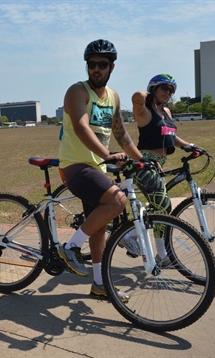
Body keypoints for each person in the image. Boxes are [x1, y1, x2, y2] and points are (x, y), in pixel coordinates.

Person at [57, 39, 144, 302]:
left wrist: (143, 160)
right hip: (75, 165)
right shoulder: (77, 91)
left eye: (102, 65)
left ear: (112, 67)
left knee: (98, 226)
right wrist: (106, 155)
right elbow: (82, 127)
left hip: (95, 168)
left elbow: (121, 133)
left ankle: (99, 284)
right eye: (91, 64)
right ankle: (71, 247)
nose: (96, 69)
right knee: (118, 200)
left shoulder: (114, 97)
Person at [131, 74, 203, 266]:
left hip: (158, 164)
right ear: (153, 88)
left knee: (159, 206)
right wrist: (149, 93)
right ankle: (157, 253)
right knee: (164, 206)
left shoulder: (167, 113)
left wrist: (190, 146)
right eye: (164, 88)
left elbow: (171, 136)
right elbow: (137, 96)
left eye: (171, 90)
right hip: (143, 162)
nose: (168, 92)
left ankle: (134, 234)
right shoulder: (144, 110)